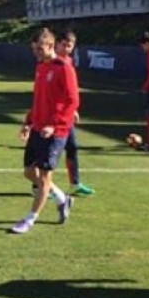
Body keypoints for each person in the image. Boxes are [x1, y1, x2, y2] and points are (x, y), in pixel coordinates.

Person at [9, 28, 77, 234]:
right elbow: (38, 99)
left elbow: (72, 100)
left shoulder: (63, 67)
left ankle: (29, 220)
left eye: (39, 48)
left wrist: (54, 125)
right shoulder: (41, 67)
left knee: (45, 178)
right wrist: (28, 123)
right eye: (34, 49)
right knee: (30, 172)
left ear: (50, 45)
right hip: (38, 127)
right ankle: (62, 198)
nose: (36, 53)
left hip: (55, 132)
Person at [55, 30, 95, 196]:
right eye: (63, 44)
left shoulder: (68, 62)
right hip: (55, 114)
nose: (66, 48)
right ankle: (38, 185)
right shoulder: (53, 63)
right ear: (57, 44)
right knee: (52, 150)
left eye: (70, 45)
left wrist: (73, 109)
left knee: (71, 147)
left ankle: (75, 183)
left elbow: (69, 91)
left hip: (66, 113)